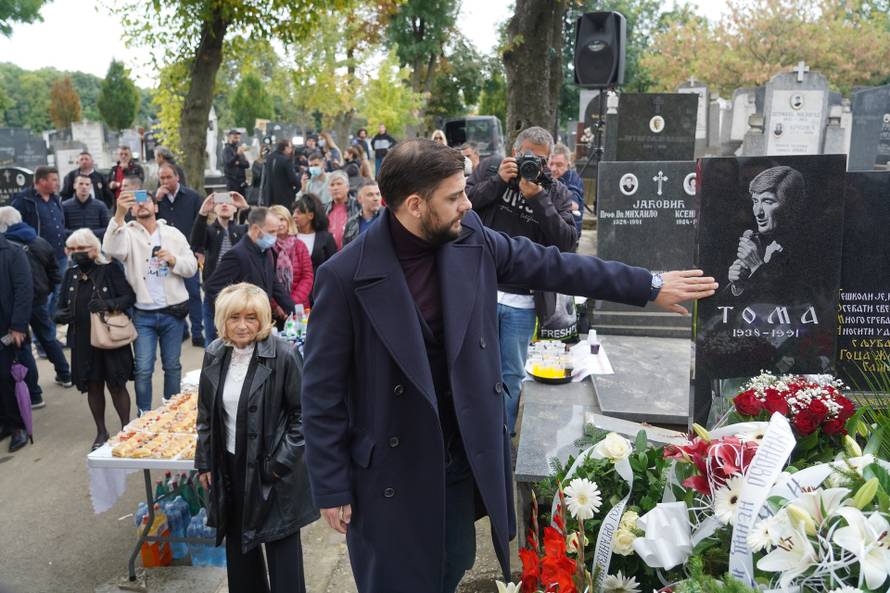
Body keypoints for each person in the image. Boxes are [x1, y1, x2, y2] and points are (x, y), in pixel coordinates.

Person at [301, 139, 718, 593]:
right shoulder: (345, 276)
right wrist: (331, 484)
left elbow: (553, 265)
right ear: (416, 205)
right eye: (454, 196)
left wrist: (649, 285)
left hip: (457, 460)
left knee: (452, 565)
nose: (467, 204)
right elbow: (320, 392)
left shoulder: (471, 238)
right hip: (390, 471)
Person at [195, 282, 318, 593]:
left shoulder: (284, 355)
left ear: (263, 319)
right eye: (234, 317)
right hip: (231, 466)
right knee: (240, 551)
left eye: (251, 317)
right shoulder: (214, 354)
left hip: (273, 469)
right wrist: (205, 463)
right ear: (222, 319)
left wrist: (277, 465)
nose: (242, 325)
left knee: (282, 553)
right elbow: (206, 417)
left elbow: (303, 417)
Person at [466, 126, 578, 435]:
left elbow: (567, 241)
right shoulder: (491, 169)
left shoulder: (555, 191)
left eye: (541, 160)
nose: (535, 165)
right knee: (473, 368)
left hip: (523, 300)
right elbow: (463, 207)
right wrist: (498, 181)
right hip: (482, 288)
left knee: (512, 375)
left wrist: (540, 200)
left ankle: (500, 438)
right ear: (515, 152)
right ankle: (471, 435)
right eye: (528, 156)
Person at [103, 190, 198, 414]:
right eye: (136, 203)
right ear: (132, 210)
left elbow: (192, 267)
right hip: (142, 314)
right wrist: (118, 215)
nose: (141, 205)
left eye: (146, 201)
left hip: (172, 312)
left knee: (172, 366)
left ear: (156, 207)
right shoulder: (126, 233)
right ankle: (144, 412)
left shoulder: (173, 233)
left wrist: (174, 260)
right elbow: (110, 250)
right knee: (143, 369)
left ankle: (172, 411)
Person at [54, 229, 135, 450]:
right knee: (93, 385)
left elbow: (129, 297)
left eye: (82, 249)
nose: (77, 253)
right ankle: (101, 431)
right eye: (73, 249)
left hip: (109, 336)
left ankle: (126, 428)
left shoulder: (109, 269)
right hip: (81, 339)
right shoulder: (70, 274)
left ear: (94, 249)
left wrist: (108, 305)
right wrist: (60, 315)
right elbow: (60, 305)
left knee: (116, 384)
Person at [0, 206, 70, 408]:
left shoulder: (7, 247)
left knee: (22, 349)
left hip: (14, 306)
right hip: (39, 300)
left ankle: (35, 395)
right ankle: (65, 374)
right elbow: (55, 272)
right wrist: (46, 290)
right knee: (48, 337)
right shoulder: (39, 241)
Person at [12, 166, 68, 360]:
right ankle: (42, 340)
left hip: (59, 255)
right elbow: (15, 226)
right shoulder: (24, 200)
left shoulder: (55, 198)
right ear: (42, 181)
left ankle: (49, 336)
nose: (57, 183)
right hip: (38, 259)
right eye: (53, 179)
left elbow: (60, 223)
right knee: (44, 300)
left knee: (56, 296)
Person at [204, 208, 296, 321]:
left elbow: (274, 285)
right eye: (271, 232)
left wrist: (295, 311)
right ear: (256, 229)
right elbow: (212, 288)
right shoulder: (237, 255)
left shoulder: (266, 251)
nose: (275, 236)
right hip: (243, 323)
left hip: (261, 320)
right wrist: (235, 315)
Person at [728, 165, 805, 299]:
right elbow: (722, 310)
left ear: (791, 206)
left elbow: (794, 301)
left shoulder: (806, 247)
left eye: (768, 202)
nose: (758, 212)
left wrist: (756, 267)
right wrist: (738, 285)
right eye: (755, 201)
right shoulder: (759, 242)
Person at [155, 163, 204, 346]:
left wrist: (199, 251)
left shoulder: (192, 197)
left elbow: (201, 226)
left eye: (169, 177)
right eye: (162, 178)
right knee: (171, 293)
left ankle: (197, 331)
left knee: (193, 293)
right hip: (164, 256)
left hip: (187, 254)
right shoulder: (155, 199)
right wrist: (157, 201)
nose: (166, 181)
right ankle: (182, 329)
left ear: (177, 177)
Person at [0, 231, 33, 453]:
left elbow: (24, 290)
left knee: (6, 377)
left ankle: (17, 426)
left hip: (7, 328)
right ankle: (4, 422)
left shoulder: (12, 252)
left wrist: (19, 326)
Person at [268, 205, 314, 311]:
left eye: (282, 219)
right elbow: (266, 279)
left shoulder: (300, 245)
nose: (279, 223)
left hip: (298, 307)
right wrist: (277, 306)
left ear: (289, 221)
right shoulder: (266, 248)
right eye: (275, 220)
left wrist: (290, 303)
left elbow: (307, 276)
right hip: (273, 309)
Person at [293, 194, 337, 273]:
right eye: (294, 213)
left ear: (311, 215)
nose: (294, 216)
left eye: (299, 213)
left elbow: (334, 264)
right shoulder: (290, 237)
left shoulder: (326, 238)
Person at [548, 143, 585, 235]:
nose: (553, 169)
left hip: (568, 236)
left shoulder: (573, 178)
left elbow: (573, 205)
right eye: (551, 164)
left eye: (559, 165)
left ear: (568, 164)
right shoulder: (548, 177)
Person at [62, 174, 111, 240]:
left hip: (95, 244)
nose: (84, 187)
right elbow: (61, 229)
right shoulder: (64, 206)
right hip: (74, 245)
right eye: (81, 184)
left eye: (87, 184)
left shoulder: (101, 206)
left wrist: (89, 233)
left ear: (91, 186)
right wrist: (79, 234)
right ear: (74, 185)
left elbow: (108, 228)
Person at [260, 139, 301, 210]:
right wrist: (297, 188)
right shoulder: (286, 160)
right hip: (284, 197)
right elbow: (293, 179)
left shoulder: (269, 158)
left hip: (269, 195)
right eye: (290, 147)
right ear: (285, 148)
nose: (291, 150)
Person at [324, 171, 360, 250]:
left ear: (347, 187)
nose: (335, 188)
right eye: (332, 185)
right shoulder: (324, 209)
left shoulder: (358, 206)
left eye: (339, 184)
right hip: (330, 256)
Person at [343, 180, 383, 247]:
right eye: (370, 195)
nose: (375, 198)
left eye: (378, 194)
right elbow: (346, 250)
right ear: (359, 199)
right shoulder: (352, 222)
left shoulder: (390, 218)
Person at [223, 130, 250, 196]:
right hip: (232, 181)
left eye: (238, 138)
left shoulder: (238, 149)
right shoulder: (227, 150)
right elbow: (229, 163)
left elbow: (247, 164)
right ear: (229, 137)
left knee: (243, 203)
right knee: (233, 202)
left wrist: (238, 163)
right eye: (235, 138)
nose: (237, 140)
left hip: (241, 181)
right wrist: (237, 155)